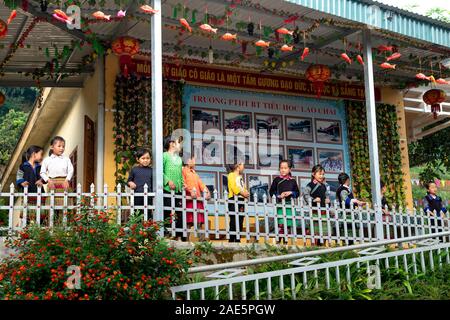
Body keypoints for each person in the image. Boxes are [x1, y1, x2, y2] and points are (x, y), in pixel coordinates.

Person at [40, 136, 74, 224]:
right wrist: (48, 180)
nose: (62, 148)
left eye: (63, 146)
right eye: (59, 146)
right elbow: (42, 172)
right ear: (52, 147)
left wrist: (67, 180)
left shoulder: (66, 159)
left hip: (64, 185)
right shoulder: (47, 160)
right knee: (52, 209)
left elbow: (71, 170)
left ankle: (65, 227)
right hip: (52, 185)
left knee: (65, 208)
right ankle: (52, 227)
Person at [182, 154, 211, 241]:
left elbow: (201, 184)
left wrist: (207, 191)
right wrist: (190, 191)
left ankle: (202, 242)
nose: (195, 162)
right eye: (193, 160)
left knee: (198, 223)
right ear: (188, 161)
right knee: (187, 223)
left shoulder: (195, 173)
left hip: (197, 201)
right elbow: (183, 183)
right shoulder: (183, 171)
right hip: (188, 201)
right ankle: (185, 241)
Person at [269, 160, 300, 235]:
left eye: (285, 168)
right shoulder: (277, 180)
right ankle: (279, 240)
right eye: (281, 168)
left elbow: (297, 193)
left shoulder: (293, 181)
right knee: (281, 224)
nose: (283, 170)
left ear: (290, 169)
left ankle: (286, 242)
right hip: (280, 205)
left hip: (290, 205)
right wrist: (278, 196)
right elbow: (271, 191)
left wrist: (291, 192)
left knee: (288, 225)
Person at [16, 145, 45, 225]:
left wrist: (41, 180)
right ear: (34, 154)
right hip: (28, 193)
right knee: (27, 215)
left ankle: (40, 232)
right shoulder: (23, 166)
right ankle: (26, 232)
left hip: (39, 193)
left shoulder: (40, 167)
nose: (42, 157)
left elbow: (44, 176)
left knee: (40, 215)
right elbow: (19, 176)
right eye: (41, 154)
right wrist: (22, 182)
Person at [303, 164, 330, 245]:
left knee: (324, 231)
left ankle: (322, 245)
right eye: (319, 174)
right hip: (314, 211)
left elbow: (326, 196)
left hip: (323, 211)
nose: (321, 176)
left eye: (323, 174)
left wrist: (328, 201)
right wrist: (313, 200)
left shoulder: (324, 186)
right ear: (313, 174)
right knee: (315, 231)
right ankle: (314, 246)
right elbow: (305, 195)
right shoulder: (310, 185)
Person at [163, 136, 184, 239]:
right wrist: (168, 181)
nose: (180, 145)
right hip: (167, 189)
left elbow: (180, 174)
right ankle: (166, 233)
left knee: (179, 212)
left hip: (178, 190)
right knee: (167, 211)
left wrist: (182, 183)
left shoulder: (179, 159)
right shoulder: (164, 156)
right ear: (171, 144)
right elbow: (160, 171)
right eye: (177, 143)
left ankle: (178, 235)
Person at [227, 162, 249, 243]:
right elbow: (233, 186)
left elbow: (243, 187)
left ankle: (237, 237)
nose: (244, 167)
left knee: (240, 219)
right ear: (238, 166)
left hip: (241, 200)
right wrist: (241, 192)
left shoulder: (240, 177)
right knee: (234, 219)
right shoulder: (231, 175)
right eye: (242, 165)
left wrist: (246, 192)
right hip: (234, 199)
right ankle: (231, 238)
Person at [127, 148, 153, 214]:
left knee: (148, 214)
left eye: (148, 158)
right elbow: (129, 180)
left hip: (148, 195)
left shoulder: (152, 170)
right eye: (143, 158)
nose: (146, 160)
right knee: (136, 213)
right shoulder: (134, 170)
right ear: (138, 159)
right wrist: (131, 183)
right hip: (137, 195)